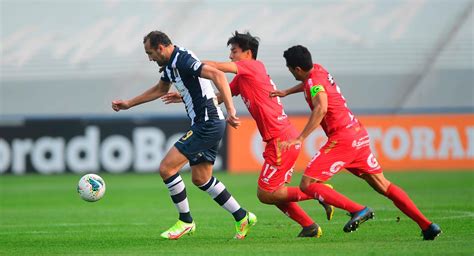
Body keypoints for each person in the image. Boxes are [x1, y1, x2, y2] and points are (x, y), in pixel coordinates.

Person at [162, 31, 334, 238]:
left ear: (248, 53)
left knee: (266, 193)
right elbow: (217, 97)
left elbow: (216, 67)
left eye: (234, 51)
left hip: (281, 139)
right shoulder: (243, 78)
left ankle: (320, 193)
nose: (231, 56)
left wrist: (188, 63)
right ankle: (309, 226)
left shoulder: (253, 66)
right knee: (274, 193)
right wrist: (183, 96)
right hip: (278, 137)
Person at [270, 45, 442, 240]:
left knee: (307, 184)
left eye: (289, 68)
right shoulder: (318, 70)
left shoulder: (313, 82)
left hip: (343, 139)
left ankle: (358, 210)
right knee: (383, 185)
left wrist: (300, 138)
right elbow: (311, 83)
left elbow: (321, 108)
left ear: (297, 69)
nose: (290, 71)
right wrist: (287, 92)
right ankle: (427, 226)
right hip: (358, 134)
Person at [111, 31, 256, 240]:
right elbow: (160, 88)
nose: (149, 58)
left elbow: (218, 75)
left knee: (166, 168)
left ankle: (186, 221)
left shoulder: (183, 59)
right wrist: (129, 104)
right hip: (207, 122)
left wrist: (232, 111)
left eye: (150, 53)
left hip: (207, 122)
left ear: (161, 48)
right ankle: (242, 216)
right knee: (201, 178)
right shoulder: (170, 65)